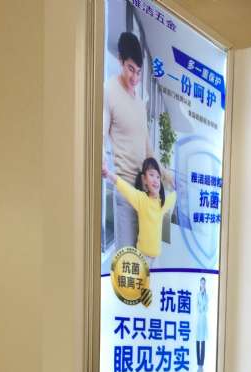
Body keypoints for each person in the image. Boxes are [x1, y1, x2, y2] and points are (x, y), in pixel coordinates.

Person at [103, 32, 154, 252]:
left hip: (144, 192)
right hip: (124, 189)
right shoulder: (109, 91)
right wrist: (102, 159)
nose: (135, 77)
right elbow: (101, 133)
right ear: (120, 61)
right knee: (126, 258)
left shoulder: (140, 104)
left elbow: (147, 147)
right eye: (130, 69)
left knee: (143, 256)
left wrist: (164, 175)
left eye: (139, 72)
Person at [102, 158, 176, 266]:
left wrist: (177, 189)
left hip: (156, 257)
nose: (156, 180)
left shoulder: (161, 203)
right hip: (142, 257)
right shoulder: (141, 199)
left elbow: (172, 198)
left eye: (158, 177)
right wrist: (108, 173)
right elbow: (124, 186)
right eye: (151, 175)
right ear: (144, 179)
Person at [196, 277, 208, 372]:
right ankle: (198, 363)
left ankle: (202, 364)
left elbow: (206, 307)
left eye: (204, 283)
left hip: (203, 319)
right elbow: (197, 306)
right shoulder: (198, 295)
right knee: (197, 341)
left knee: (203, 341)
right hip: (199, 319)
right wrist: (200, 308)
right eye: (201, 283)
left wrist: (203, 308)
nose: (202, 285)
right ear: (200, 284)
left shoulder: (207, 296)